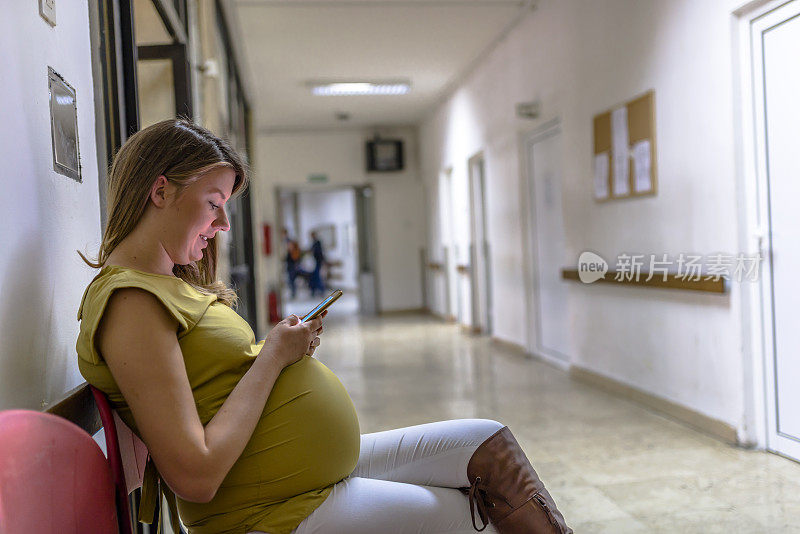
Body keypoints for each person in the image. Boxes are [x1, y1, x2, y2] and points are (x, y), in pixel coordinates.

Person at [75, 119, 571, 534]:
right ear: (160, 190)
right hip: (262, 511)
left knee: (485, 441)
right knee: (473, 514)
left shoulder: (165, 285)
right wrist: (273, 356)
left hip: (289, 477)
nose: (224, 224)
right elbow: (195, 474)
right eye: (213, 202)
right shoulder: (131, 303)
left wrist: (282, 352)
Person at [308, 231, 326, 297]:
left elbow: (318, 252)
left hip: (319, 261)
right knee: (315, 276)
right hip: (316, 261)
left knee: (317, 276)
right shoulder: (313, 243)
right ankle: (316, 290)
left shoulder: (317, 242)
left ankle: (321, 290)